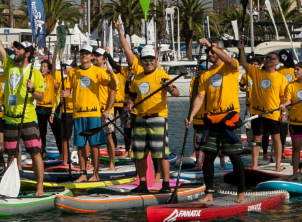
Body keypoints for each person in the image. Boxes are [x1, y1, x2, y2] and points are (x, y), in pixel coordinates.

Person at [0, 16, 47, 194]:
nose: (15, 50)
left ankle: (39, 186)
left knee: (35, 152)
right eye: (15, 47)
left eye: (19, 48)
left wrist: (33, 90)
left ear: (27, 53)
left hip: (27, 118)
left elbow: (41, 97)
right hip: (10, 118)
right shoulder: (9, 64)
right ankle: (10, 187)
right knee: (11, 155)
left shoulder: (34, 73)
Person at [117, 33, 179, 193]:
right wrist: (129, 104)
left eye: (151, 60)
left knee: (161, 154)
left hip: (157, 118)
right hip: (140, 118)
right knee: (139, 154)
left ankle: (165, 184)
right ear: (142, 61)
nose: (149, 63)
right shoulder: (137, 77)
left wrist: (169, 88)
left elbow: (176, 93)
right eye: (146, 60)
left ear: (155, 60)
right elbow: (132, 95)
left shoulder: (161, 74)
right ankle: (143, 184)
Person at [185, 39, 246, 203]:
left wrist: (210, 45)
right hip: (212, 120)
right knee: (208, 156)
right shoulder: (206, 75)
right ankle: (209, 193)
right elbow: (199, 97)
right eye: (208, 52)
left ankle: (241, 193)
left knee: (234, 156)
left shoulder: (230, 67)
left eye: (212, 51)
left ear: (219, 51)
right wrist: (191, 116)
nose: (210, 54)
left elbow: (228, 60)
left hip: (229, 119)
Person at [67, 44, 117, 183]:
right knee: (81, 146)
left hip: (94, 113)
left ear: (92, 56)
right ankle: (83, 173)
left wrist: (112, 76)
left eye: (87, 53)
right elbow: (67, 89)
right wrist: (64, 93)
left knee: (94, 145)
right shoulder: (73, 72)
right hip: (78, 114)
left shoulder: (98, 71)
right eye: (82, 53)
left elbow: (113, 87)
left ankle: (95, 173)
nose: (84, 55)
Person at [239, 45, 287, 171]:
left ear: (276, 62)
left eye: (270, 58)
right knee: (257, 138)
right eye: (266, 58)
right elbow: (243, 63)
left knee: (276, 138)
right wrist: (241, 49)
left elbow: (284, 98)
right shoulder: (256, 72)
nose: (267, 60)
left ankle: (277, 165)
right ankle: (255, 164)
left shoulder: (281, 78)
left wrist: (284, 112)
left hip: (273, 113)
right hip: (257, 113)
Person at [282, 58, 302, 180]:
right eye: (294, 69)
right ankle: (295, 174)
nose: (295, 71)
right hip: (295, 122)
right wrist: (285, 106)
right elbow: (288, 101)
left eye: (297, 69)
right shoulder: (290, 86)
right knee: (296, 149)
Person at [36, 59, 57, 158]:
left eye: (45, 66)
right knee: (41, 132)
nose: (42, 68)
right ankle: (42, 152)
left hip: (50, 108)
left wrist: (56, 51)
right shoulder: (37, 77)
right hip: (40, 108)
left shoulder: (51, 78)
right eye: (41, 66)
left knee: (56, 132)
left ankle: (62, 153)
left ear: (48, 69)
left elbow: (53, 65)